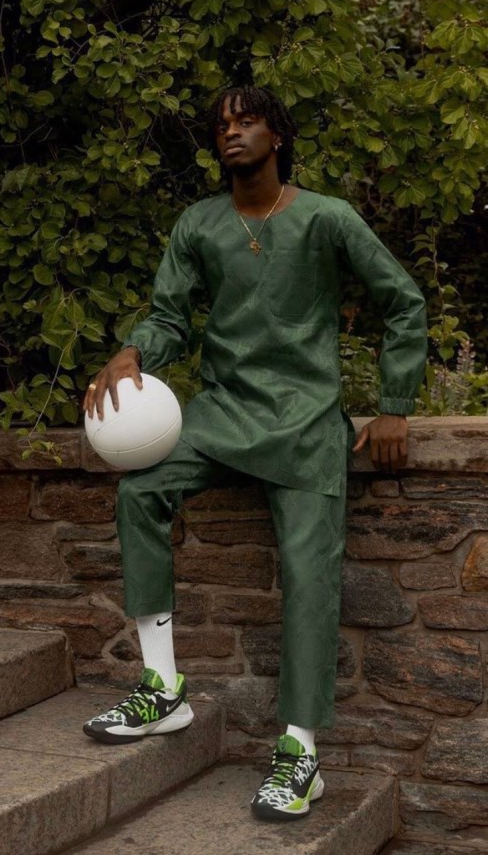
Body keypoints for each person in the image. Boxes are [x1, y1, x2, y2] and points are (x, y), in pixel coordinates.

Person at [81, 85, 427, 820]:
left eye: (247, 121)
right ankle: (162, 688)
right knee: (140, 489)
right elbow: (169, 317)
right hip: (221, 414)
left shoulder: (327, 217)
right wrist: (134, 351)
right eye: (222, 125)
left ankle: (300, 753)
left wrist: (394, 404)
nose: (232, 133)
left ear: (278, 135)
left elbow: (403, 301)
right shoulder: (199, 223)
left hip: (306, 424)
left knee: (309, 574)